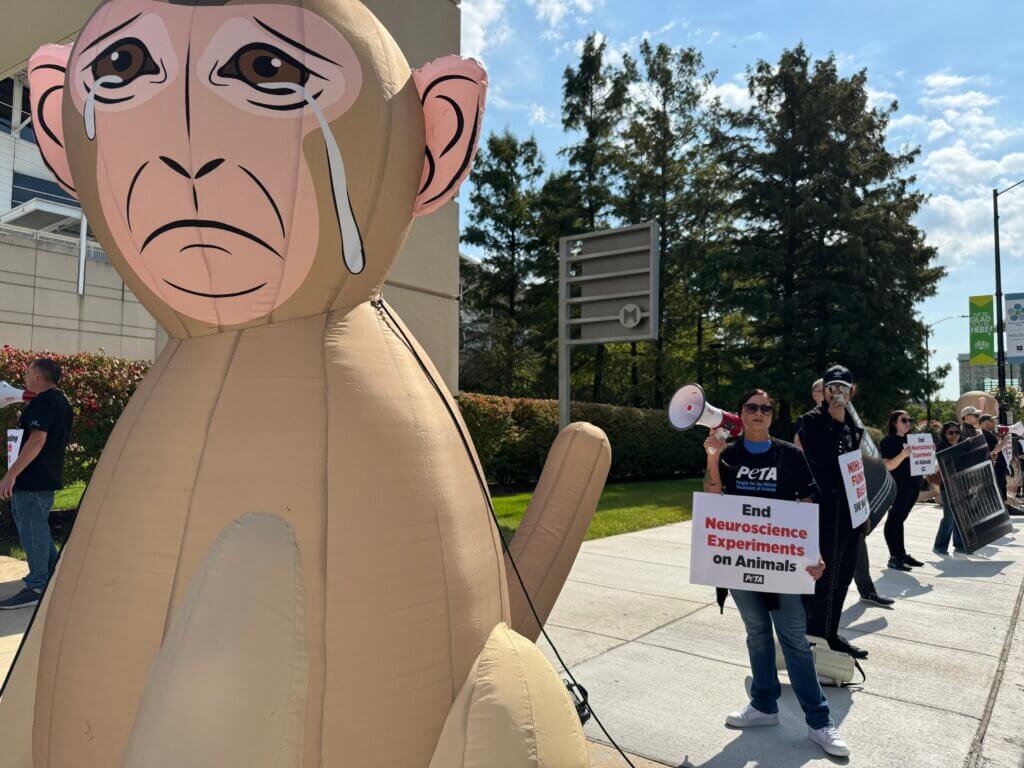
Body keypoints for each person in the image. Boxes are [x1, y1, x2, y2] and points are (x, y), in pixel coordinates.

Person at [704, 389, 849, 758]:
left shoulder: (790, 454)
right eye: (751, 407)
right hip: (743, 562)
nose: (758, 413)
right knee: (756, 634)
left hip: (782, 562)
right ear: (740, 413)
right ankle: (764, 705)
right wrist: (712, 457)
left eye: (765, 408)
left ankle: (819, 722)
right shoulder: (729, 454)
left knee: (795, 641)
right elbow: (713, 496)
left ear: (772, 416)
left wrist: (812, 551)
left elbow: (806, 502)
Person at [795, 365, 869, 660]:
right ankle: (813, 636)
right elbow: (820, 462)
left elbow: (855, 466)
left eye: (843, 387)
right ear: (823, 391)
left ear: (852, 391)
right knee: (823, 578)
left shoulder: (853, 420)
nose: (836, 392)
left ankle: (830, 632)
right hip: (826, 513)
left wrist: (863, 509)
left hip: (850, 512)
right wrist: (835, 422)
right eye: (831, 387)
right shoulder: (810, 421)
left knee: (843, 576)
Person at [0, 358, 73, 610]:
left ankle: (37, 584)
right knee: (37, 529)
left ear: (39, 376)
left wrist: (11, 474)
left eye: (29, 371)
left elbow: (37, 440)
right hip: (43, 478)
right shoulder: (60, 401)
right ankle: (52, 576)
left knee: (32, 531)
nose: (25, 375)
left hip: (32, 480)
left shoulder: (44, 402)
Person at [879, 410, 924, 571]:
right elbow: (888, 465)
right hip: (898, 487)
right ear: (894, 423)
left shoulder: (912, 440)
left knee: (900, 521)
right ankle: (894, 557)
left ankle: (901, 554)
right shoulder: (888, 441)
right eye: (903, 420)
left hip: (913, 486)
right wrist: (903, 454)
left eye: (909, 420)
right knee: (893, 521)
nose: (908, 423)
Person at [932, 421, 966, 556]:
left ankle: (959, 545)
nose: (954, 435)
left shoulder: (962, 445)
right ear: (944, 434)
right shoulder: (941, 447)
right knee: (949, 516)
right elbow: (937, 467)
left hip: (962, 484)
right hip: (946, 485)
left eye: (957, 432)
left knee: (960, 515)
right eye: (951, 433)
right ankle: (940, 546)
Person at [979, 414, 1010, 504]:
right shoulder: (985, 434)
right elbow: (994, 451)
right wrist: (1005, 440)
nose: (994, 423)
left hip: (997, 467)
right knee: (998, 491)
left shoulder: (988, 434)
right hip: (995, 467)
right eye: (991, 421)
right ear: (984, 424)